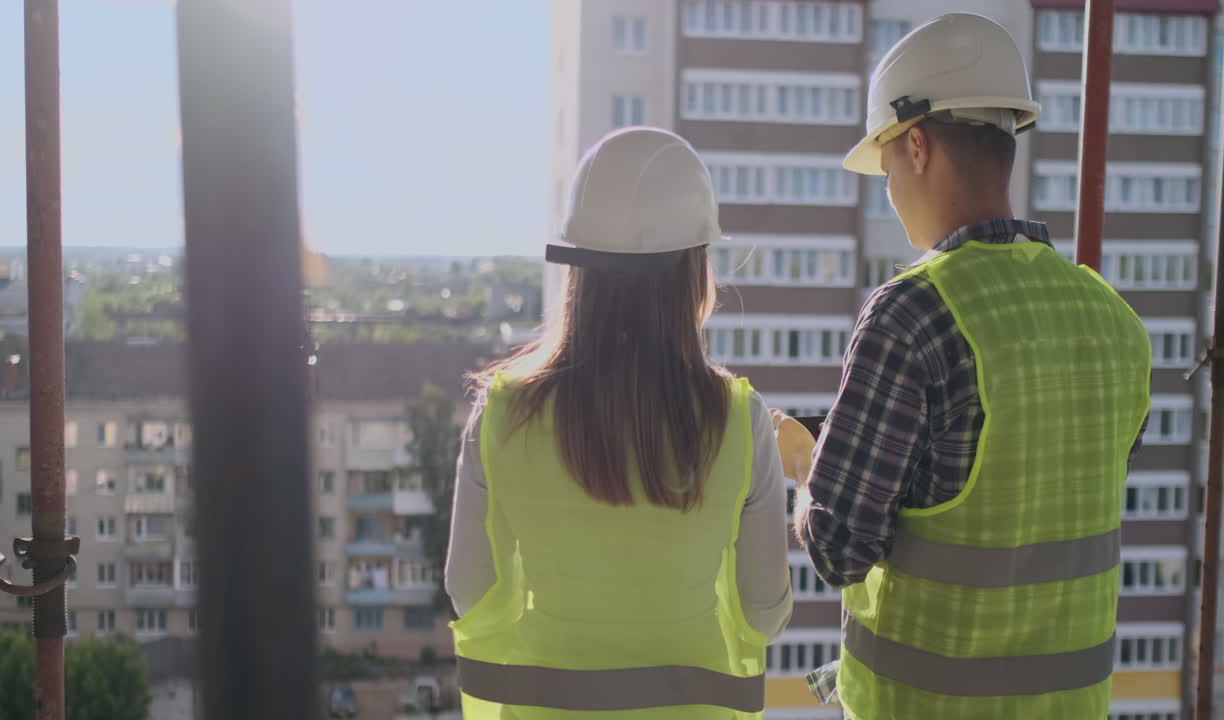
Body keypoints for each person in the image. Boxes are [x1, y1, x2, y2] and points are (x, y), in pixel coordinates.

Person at [773, 13, 1152, 720]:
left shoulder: (912, 315)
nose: (887, 189)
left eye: (885, 166)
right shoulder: (1114, 320)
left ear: (916, 146)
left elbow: (840, 545)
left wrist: (804, 465)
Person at [445, 126, 793, 718]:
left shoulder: (501, 410)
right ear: (693, 269)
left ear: (577, 269)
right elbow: (765, 612)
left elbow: (469, 592)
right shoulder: (739, 420)